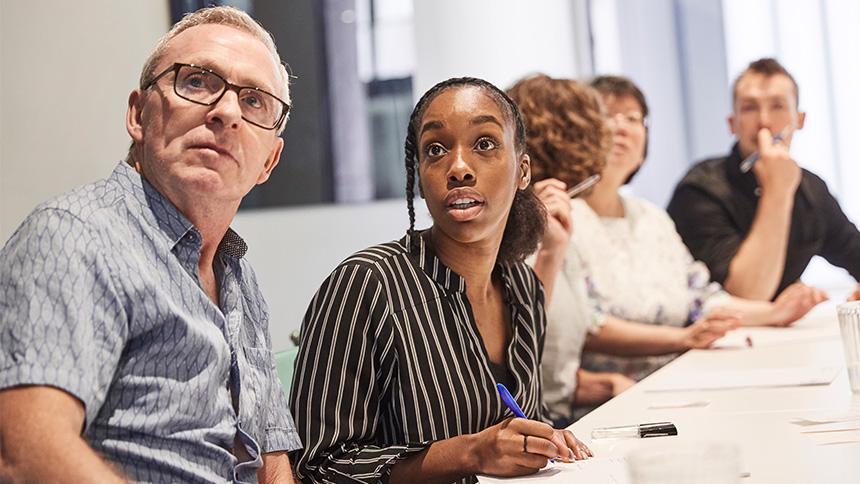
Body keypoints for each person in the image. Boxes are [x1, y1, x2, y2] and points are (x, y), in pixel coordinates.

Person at [0, 7, 301, 483]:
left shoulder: (238, 276)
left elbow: (273, 463)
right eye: (198, 81)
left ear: (269, 162)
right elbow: (26, 454)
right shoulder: (76, 237)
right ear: (139, 114)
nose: (226, 112)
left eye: (254, 101)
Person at [289, 77, 590, 484]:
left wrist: (542, 439)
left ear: (523, 171)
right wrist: (467, 453)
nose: (459, 168)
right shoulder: (367, 284)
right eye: (436, 150)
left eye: (484, 144)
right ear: (421, 177)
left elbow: (523, 422)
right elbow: (315, 467)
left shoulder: (523, 287)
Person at [508, 74, 825, 422]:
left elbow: (700, 296)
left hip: (678, 383)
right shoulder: (560, 216)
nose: (621, 129)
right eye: (608, 117)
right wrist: (683, 338)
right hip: (608, 405)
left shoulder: (651, 217)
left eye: (633, 118)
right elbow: (586, 324)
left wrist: (773, 313)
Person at [667, 58, 860, 301]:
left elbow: (853, 251)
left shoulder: (812, 189)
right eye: (749, 108)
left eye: (778, 106)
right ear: (732, 124)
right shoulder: (700, 190)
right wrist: (777, 191)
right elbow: (747, 295)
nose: (764, 123)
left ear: (799, 120)